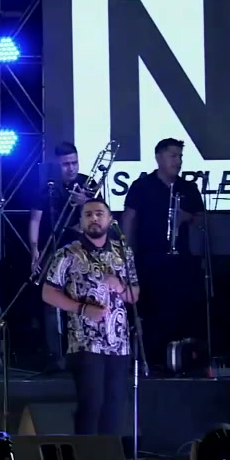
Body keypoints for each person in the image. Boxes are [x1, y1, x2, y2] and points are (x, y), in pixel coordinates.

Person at [41, 199, 140, 435]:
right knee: (91, 406)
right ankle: (86, 455)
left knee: (114, 408)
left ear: (110, 220)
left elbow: (134, 295)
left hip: (119, 344)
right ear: (80, 221)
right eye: (88, 215)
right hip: (84, 341)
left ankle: (110, 455)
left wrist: (120, 287)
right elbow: (48, 293)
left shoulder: (123, 252)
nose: (94, 218)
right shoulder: (68, 253)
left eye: (99, 214)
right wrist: (83, 309)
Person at [121, 138, 204, 368]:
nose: (178, 161)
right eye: (173, 156)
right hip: (149, 258)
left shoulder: (188, 188)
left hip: (181, 261)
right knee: (151, 311)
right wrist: (126, 254)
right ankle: (153, 360)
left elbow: (202, 220)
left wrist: (186, 217)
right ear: (159, 158)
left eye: (180, 156)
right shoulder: (142, 186)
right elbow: (129, 219)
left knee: (179, 310)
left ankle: (177, 359)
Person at [27, 142, 96, 372]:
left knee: (83, 299)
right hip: (55, 250)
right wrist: (35, 250)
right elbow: (35, 220)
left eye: (74, 163)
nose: (71, 168)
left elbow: (102, 217)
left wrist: (85, 203)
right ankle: (55, 355)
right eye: (66, 164)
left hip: (83, 251)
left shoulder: (88, 184)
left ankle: (85, 351)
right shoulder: (48, 187)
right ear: (57, 166)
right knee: (51, 301)